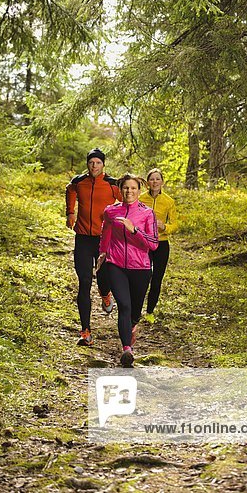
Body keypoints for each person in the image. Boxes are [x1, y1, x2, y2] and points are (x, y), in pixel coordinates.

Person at [97, 174, 158, 367]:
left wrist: (134, 231)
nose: (129, 191)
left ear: (139, 191)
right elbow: (106, 231)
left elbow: (154, 244)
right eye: (125, 188)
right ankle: (126, 350)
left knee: (134, 312)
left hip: (140, 267)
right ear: (120, 190)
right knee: (124, 305)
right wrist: (103, 252)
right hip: (116, 265)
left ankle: (132, 325)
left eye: (133, 188)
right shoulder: (111, 211)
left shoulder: (147, 213)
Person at [65, 148, 121, 346]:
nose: (94, 166)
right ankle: (85, 331)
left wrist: (122, 223)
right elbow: (69, 190)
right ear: (87, 164)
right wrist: (70, 212)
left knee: (103, 279)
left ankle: (106, 295)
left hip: (104, 240)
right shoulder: (79, 181)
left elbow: (127, 203)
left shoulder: (112, 185)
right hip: (83, 239)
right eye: (91, 162)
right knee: (84, 282)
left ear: (103, 164)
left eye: (98, 162)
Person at [139, 168, 178, 316]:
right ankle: (136, 310)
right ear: (148, 182)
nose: (154, 182)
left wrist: (165, 227)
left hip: (161, 244)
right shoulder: (141, 199)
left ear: (162, 182)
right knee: (143, 277)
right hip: (144, 243)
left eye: (157, 179)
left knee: (156, 280)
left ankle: (149, 312)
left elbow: (175, 224)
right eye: (151, 179)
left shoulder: (169, 201)